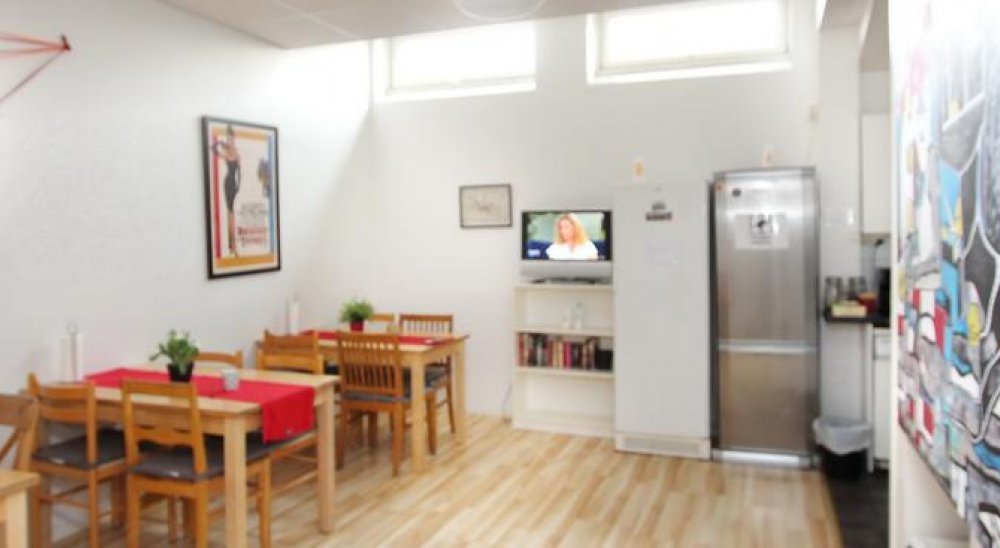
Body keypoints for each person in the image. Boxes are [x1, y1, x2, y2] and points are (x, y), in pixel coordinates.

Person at [212, 125, 241, 257]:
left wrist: (238, 186)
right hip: (227, 183)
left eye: (232, 139)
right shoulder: (225, 153)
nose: (230, 141)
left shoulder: (236, 153)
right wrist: (220, 142)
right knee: (230, 213)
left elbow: (239, 173)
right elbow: (213, 149)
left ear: (234, 139)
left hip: (233, 184)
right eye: (228, 139)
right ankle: (232, 247)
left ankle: (232, 247)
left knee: (232, 213)